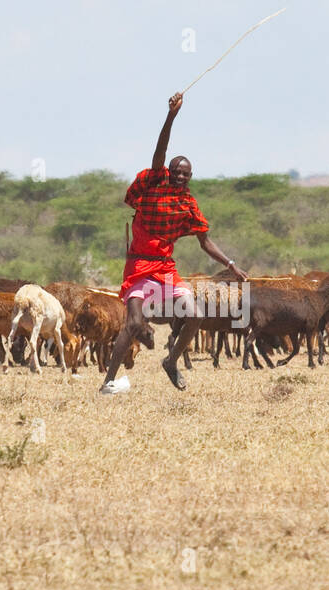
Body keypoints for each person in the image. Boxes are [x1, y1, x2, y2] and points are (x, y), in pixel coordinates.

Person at [101, 92, 248, 394]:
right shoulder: (154, 183)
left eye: (186, 173)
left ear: (190, 176)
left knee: (195, 314)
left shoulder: (188, 204)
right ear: (169, 171)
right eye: (176, 171)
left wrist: (231, 265)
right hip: (140, 266)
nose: (180, 176)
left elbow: (205, 242)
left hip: (166, 269)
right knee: (131, 325)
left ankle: (171, 361)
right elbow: (161, 149)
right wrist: (172, 116)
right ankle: (108, 381)